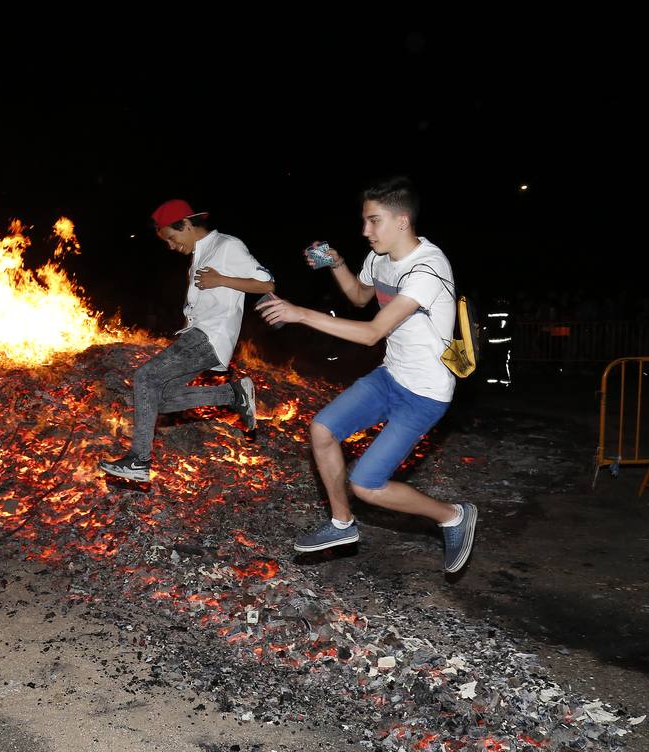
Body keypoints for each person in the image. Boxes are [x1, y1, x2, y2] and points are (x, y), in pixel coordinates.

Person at [257, 177, 477, 573]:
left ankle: (452, 515)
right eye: (364, 221)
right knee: (322, 430)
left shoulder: (428, 268)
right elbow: (360, 296)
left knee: (367, 484)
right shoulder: (378, 257)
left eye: (374, 221)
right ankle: (343, 524)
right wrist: (337, 263)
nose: (365, 231)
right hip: (391, 375)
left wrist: (300, 313)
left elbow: (373, 331)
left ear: (402, 221)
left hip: (425, 393)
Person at [99, 199, 275, 482]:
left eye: (172, 237)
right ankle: (233, 394)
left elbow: (267, 283)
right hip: (198, 334)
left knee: (144, 378)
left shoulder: (227, 246)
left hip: (210, 334)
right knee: (161, 399)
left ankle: (139, 461)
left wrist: (222, 280)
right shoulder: (199, 256)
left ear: (188, 224)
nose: (171, 245)